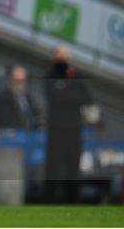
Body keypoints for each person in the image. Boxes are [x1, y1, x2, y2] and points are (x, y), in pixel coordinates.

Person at [43, 45, 92, 204]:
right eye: (60, 55)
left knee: (73, 168)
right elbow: (55, 97)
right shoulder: (49, 76)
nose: (62, 58)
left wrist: (67, 94)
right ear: (54, 58)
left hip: (74, 130)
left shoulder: (77, 75)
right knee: (53, 169)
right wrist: (72, 94)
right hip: (56, 130)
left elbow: (87, 97)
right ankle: (49, 202)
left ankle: (71, 203)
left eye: (65, 55)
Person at [0, 66, 41, 130]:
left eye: (22, 80)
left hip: (29, 131)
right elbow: (5, 120)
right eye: (17, 80)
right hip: (12, 133)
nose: (20, 83)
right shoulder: (2, 97)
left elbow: (36, 112)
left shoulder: (27, 96)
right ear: (10, 79)